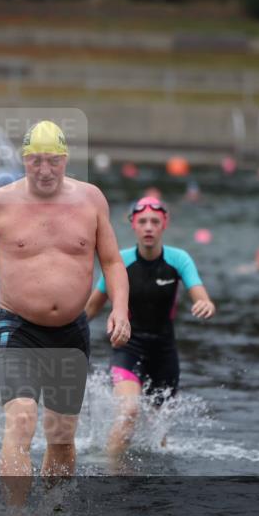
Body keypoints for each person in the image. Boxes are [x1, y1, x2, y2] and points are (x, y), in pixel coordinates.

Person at [0, 120, 130, 503]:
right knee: (22, 419)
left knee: (61, 440)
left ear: (65, 159)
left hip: (71, 333)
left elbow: (112, 261)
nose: (44, 170)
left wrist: (120, 310)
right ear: (24, 160)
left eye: (52, 161)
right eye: (36, 161)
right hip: (19, 329)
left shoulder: (91, 200)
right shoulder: (0, 203)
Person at [84, 194, 215, 470]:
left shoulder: (179, 259)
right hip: (127, 348)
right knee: (129, 411)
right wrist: (61, 333)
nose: (148, 227)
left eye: (155, 221)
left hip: (165, 353)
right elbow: (91, 308)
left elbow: (199, 294)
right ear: (132, 224)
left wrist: (204, 303)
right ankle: (111, 471)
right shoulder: (120, 261)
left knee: (159, 435)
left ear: (164, 225)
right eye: (142, 221)